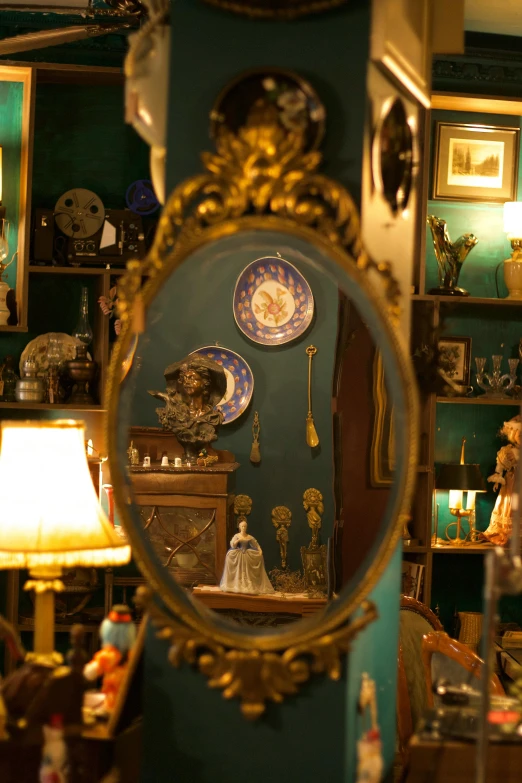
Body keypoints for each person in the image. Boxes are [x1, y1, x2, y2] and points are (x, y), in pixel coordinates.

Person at [481, 415, 520, 546]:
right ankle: (508, 533)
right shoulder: (507, 451)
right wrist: (498, 477)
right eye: (517, 433)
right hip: (512, 484)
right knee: (508, 507)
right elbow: (501, 467)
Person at [220, 520, 274, 595]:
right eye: (242, 526)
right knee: (231, 559)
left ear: (246, 527)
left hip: (247, 554)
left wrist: (260, 550)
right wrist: (238, 540)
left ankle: (247, 583)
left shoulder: (249, 537)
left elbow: (256, 544)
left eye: (245, 526)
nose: (243, 527)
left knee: (247, 570)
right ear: (239, 527)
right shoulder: (237, 536)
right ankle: (236, 583)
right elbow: (233, 545)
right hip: (239, 553)